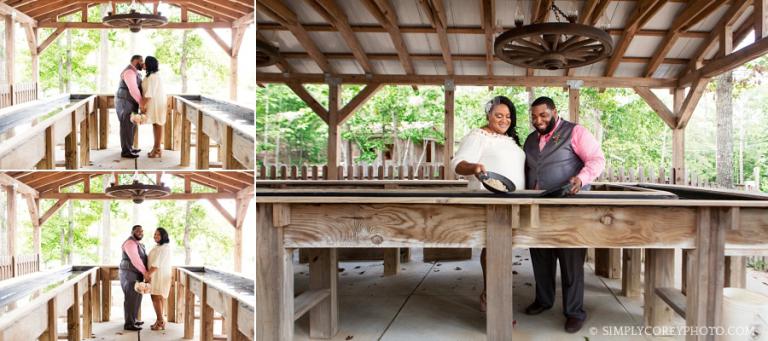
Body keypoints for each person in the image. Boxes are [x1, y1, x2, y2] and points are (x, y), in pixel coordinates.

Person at [523, 96, 605, 333]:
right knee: (540, 258)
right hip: (538, 209)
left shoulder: (575, 132)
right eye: (534, 116)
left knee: (571, 262)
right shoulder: (529, 140)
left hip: (569, 210)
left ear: (554, 112)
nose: (538, 120)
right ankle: (544, 300)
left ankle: (574, 312)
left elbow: (597, 159)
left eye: (543, 115)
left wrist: (582, 178)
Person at [450, 95, 525, 312]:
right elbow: (457, 164)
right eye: (498, 115)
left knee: (505, 249)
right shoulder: (478, 135)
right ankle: (492, 298)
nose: (504, 120)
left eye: (508, 116)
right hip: (492, 199)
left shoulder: (510, 139)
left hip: (514, 200)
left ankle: (495, 292)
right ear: (488, 115)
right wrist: (473, 167)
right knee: (493, 247)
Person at [119, 225, 148, 331]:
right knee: (131, 298)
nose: (140, 232)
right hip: (129, 274)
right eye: (137, 231)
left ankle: (133, 319)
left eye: (142, 231)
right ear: (132, 232)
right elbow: (135, 259)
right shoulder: (130, 243)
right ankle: (129, 324)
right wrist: (146, 273)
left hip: (136, 274)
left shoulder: (138, 244)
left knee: (137, 297)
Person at [116, 55, 144, 159]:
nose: (143, 63)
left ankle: (130, 148)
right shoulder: (129, 72)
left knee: (131, 124)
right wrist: (141, 103)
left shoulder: (135, 72)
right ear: (136, 61)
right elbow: (133, 89)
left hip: (131, 102)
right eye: (141, 61)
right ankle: (126, 151)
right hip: (125, 101)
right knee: (126, 125)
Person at [140, 56, 167, 158]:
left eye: (144, 62)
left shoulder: (154, 76)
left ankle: (157, 149)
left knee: (158, 123)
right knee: (155, 124)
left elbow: (150, 93)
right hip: (153, 102)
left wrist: (142, 105)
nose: (143, 64)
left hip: (156, 102)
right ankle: (156, 148)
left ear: (149, 64)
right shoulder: (149, 75)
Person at [146, 227, 172, 331]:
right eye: (155, 234)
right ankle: (159, 320)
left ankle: (160, 321)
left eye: (158, 234)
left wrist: (148, 274)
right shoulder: (158, 246)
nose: (155, 236)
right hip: (155, 275)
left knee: (156, 297)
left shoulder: (165, 247)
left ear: (163, 236)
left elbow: (157, 263)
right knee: (157, 298)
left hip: (159, 275)